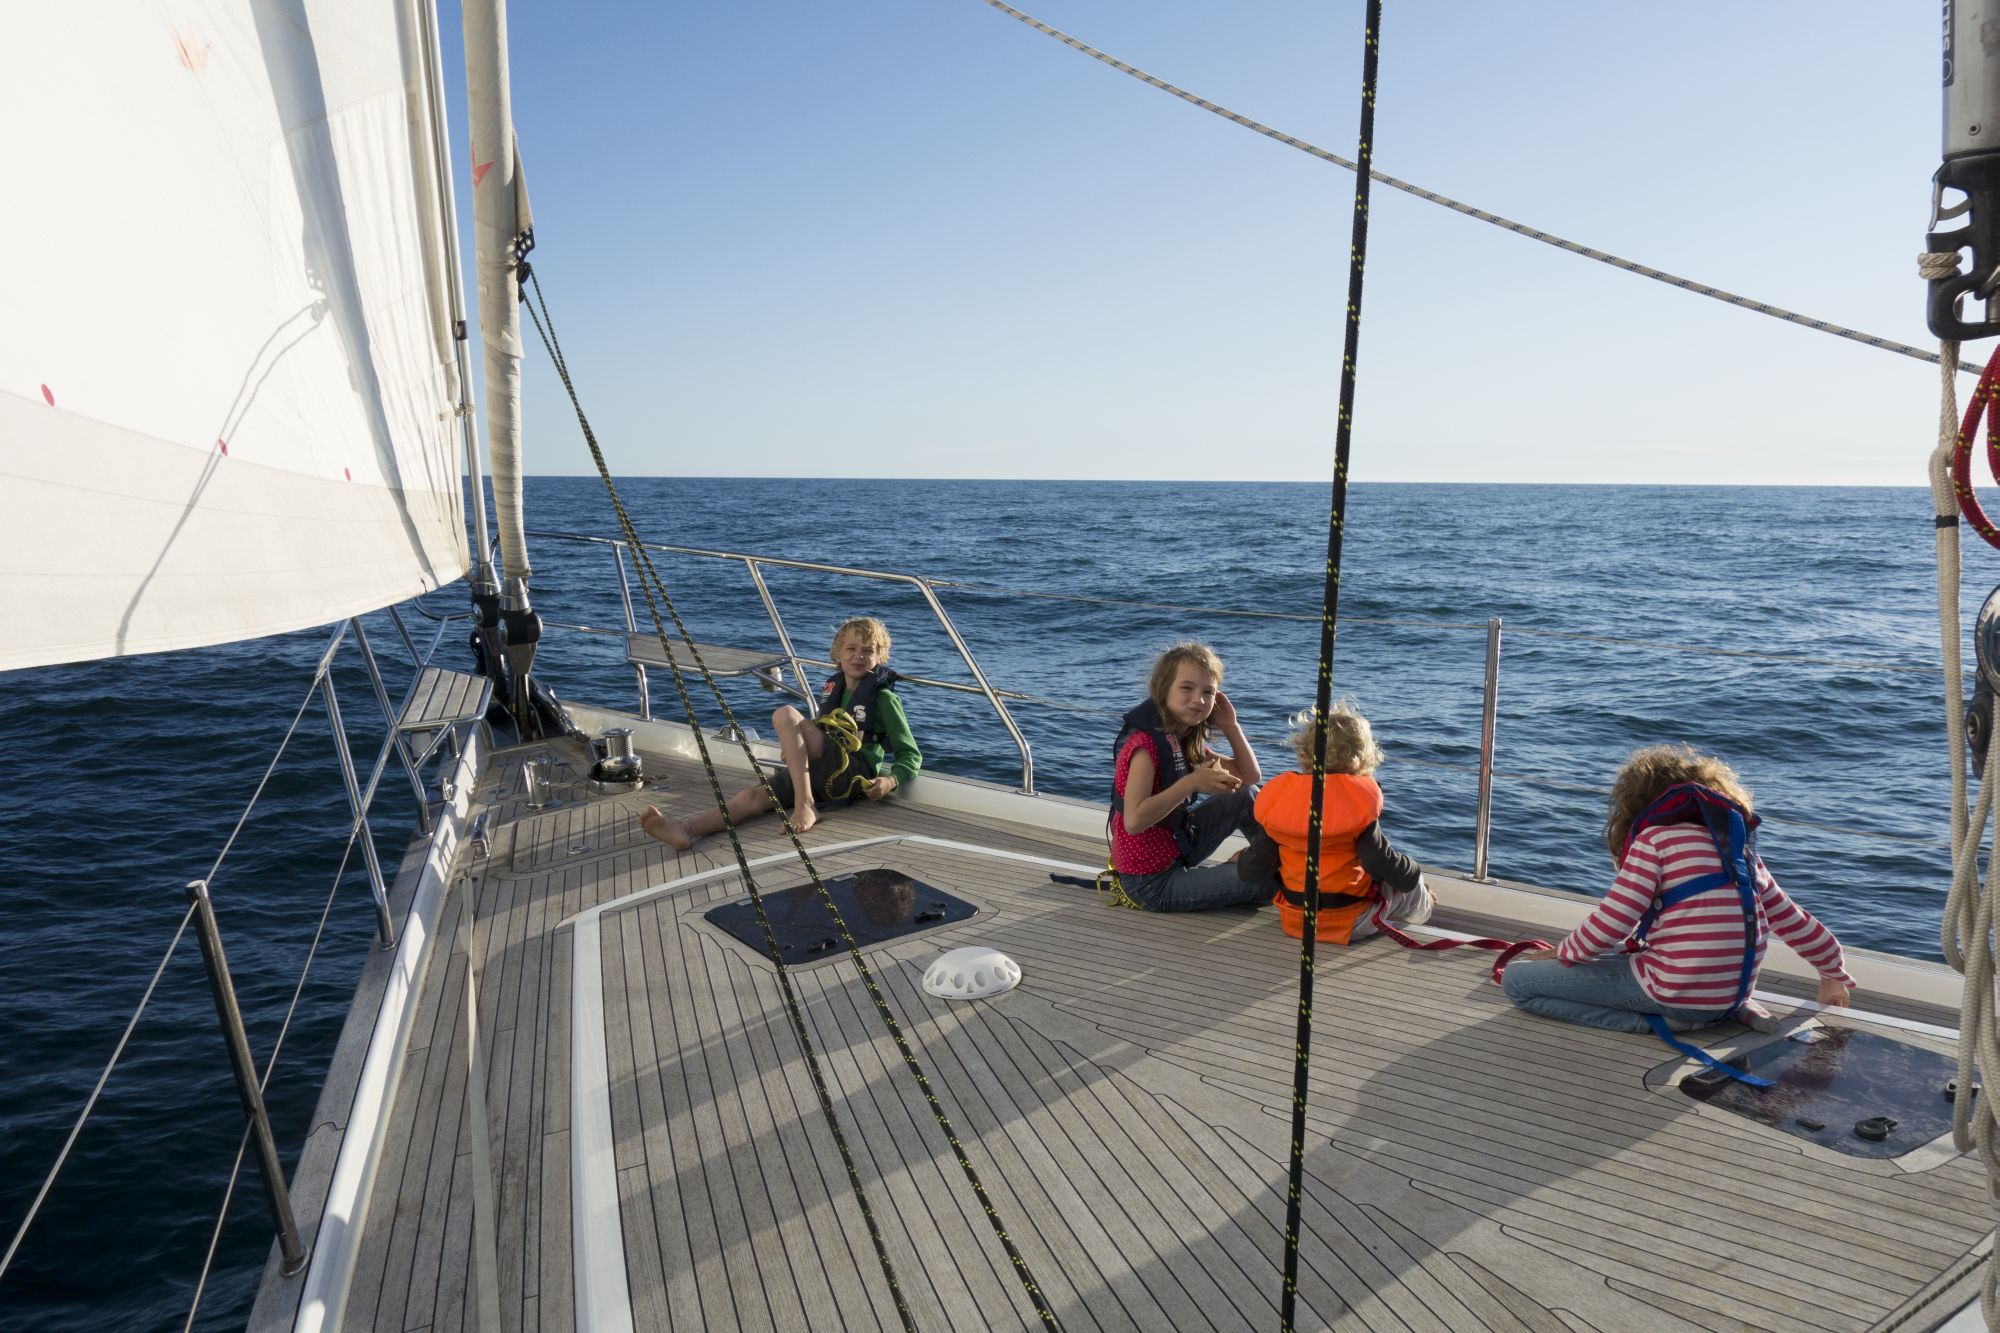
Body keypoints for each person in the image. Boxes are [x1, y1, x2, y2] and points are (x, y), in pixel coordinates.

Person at [1501, 743, 1855, 1036]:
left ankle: (1659, 1023)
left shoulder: (1655, 841)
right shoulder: (1740, 854)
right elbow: (1795, 921)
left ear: (1634, 806)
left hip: (1673, 994)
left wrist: (1563, 954)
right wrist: (1832, 976)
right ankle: (1736, 1010)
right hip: (1729, 995)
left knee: (1518, 982)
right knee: (1631, 959)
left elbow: (1613, 922)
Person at [639, 616, 921, 849]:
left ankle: (805, 805)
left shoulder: (884, 700)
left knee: (785, 714)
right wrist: (796, 745)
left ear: (879, 658)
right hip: (820, 774)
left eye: (868, 651)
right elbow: (824, 730)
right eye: (851, 648)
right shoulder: (835, 690)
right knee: (750, 798)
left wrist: (890, 781)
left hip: (850, 775)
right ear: (837, 654)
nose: (859, 656)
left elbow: (911, 754)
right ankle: (685, 830)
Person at [1251, 701, 1433, 945]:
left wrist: (1242, 860)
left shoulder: (1281, 802)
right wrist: (1413, 872)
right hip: (1350, 921)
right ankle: (1426, 907)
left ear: (1304, 754)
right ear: (1362, 759)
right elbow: (1378, 861)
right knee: (1412, 882)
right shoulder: (1356, 805)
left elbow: (1254, 866)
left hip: (1295, 919)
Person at [1108, 642, 1270, 911]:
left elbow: (1249, 776)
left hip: (1177, 847)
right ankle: (1275, 872)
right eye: (1187, 688)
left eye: (1209, 692)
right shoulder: (1146, 747)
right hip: (1150, 883)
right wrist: (1192, 783)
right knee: (1269, 882)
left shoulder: (1182, 740)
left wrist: (1231, 726)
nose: (1200, 699)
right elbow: (1134, 821)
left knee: (1245, 796)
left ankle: (1282, 861)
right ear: (1163, 690)